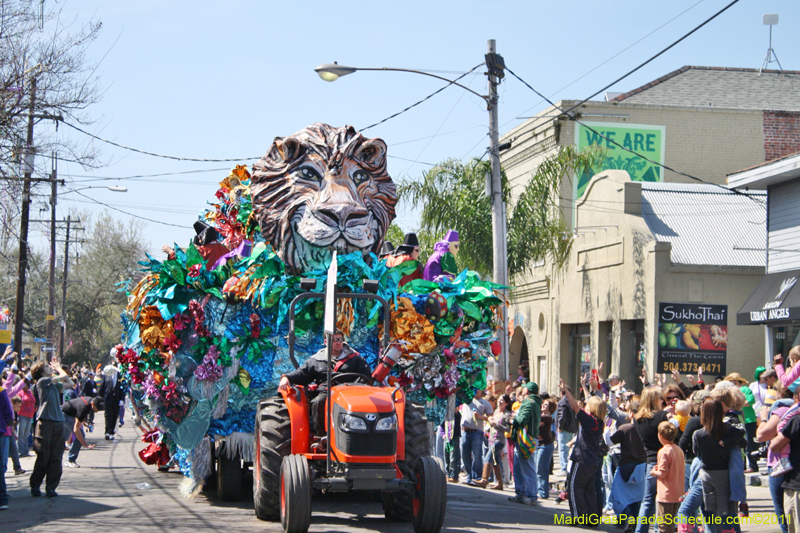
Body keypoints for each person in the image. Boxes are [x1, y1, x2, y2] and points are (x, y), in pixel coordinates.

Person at [278, 331, 371, 437]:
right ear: (326, 342)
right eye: (334, 340)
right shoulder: (316, 360)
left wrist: (357, 387)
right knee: (319, 401)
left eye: (340, 339)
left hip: (350, 393)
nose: (337, 342)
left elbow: (366, 376)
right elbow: (302, 374)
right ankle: (322, 437)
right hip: (326, 392)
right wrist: (286, 377)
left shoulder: (356, 359)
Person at [559, 378, 605, 524]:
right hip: (592, 460)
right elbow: (590, 400)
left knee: (574, 487)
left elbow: (575, 407)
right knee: (589, 489)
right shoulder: (598, 421)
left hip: (582, 458)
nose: (585, 405)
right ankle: (591, 518)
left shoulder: (590, 421)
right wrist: (584, 386)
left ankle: (578, 517)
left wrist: (566, 392)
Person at [695, 399, 744, 533]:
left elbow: (697, 453)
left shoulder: (698, 434)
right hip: (725, 474)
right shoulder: (728, 429)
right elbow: (741, 434)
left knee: (709, 512)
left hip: (707, 474)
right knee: (728, 512)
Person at [30, 358, 74, 498]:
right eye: (47, 367)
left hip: (58, 422)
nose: (50, 368)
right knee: (43, 456)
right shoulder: (42, 382)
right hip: (45, 422)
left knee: (56, 457)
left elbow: (70, 382)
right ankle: (35, 485)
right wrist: (59, 368)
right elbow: (62, 377)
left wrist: (58, 369)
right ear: (41, 372)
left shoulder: (54, 384)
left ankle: (51, 487)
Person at [634, 387, 670, 533]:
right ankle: (657, 529)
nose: (662, 400)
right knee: (661, 500)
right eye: (660, 397)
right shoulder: (662, 416)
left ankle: (640, 530)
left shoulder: (638, 418)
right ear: (655, 399)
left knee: (647, 499)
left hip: (648, 460)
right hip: (663, 459)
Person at [509, 382, 542, 505]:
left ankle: (532, 496)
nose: (522, 391)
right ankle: (521, 493)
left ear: (527, 391)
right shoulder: (534, 402)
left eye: (523, 389)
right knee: (518, 467)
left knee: (527, 468)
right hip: (524, 438)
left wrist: (512, 419)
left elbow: (522, 419)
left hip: (526, 439)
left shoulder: (529, 402)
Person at [651, 421, 684, 533]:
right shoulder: (679, 450)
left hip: (666, 494)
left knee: (664, 525)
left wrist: (653, 472)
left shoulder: (664, 451)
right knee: (671, 522)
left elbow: (662, 473)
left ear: (660, 435)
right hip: (677, 492)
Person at [725, 372, 759, 473]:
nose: (730, 383)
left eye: (732, 381)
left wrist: (737, 403)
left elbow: (751, 401)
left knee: (750, 444)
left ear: (736, 381)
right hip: (739, 419)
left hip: (748, 420)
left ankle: (753, 466)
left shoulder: (745, 389)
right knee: (741, 443)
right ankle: (743, 466)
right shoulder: (730, 391)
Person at [459, 387, 493, 487]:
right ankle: (469, 475)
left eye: (477, 389)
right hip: (465, 431)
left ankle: (476, 477)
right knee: (465, 455)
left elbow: (491, 417)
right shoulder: (467, 399)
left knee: (477, 455)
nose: (475, 391)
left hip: (477, 432)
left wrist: (481, 417)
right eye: (474, 389)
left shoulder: (485, 403)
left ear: (481, 390)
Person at [61, 396, 104, 468]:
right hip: (65, 414)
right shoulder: (84, 407)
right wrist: (85, 444)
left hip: (69, 413)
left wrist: (84, 423)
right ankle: (70, 460)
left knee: (64, 437)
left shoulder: (90, 401)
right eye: (98, 408)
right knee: (80, 435)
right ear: (93, 404)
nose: (97, 411)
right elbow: (76, 430)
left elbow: (78, 414)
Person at [485, 393, 512, 490]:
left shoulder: (507, 414)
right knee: (496, 461)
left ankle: (484, 479)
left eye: (502, 400)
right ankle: (499, 483)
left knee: (488, 457)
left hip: (499, 440)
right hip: (491, 438)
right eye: (499, 399)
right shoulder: (496, 411)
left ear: (506, 403)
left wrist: (496, 424)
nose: (500, 402)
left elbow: (508, 429)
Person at [534, 399, 556, 499]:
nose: (543, 405)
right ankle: (540, 490)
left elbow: (538, 417)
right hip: (537, 445)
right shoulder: (540, 416)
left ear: (550, 408)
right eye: (543, 404)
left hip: (545, 446)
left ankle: (543, 492)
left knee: (541, 469)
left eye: (546, 404)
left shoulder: (548, 417)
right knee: (538, 469)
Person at [556, 384, 579, 476]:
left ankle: (564, 468)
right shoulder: (572, 401)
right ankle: (569, 466)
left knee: (563, 449)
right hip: (572, 428)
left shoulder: (562, 402)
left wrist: (560, 427)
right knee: (570, 449)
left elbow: (562, 415)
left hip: (565, 429)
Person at [99, 364, 125, 440]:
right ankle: (107, 431)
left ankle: (111, 432)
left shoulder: (120, 375)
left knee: (114, 415)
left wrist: (121, 399)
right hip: (108, 398)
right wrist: (100, 397)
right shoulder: (106, 375)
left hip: (116, 399)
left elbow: (122, 388)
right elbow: (102, 386)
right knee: (108, 415)